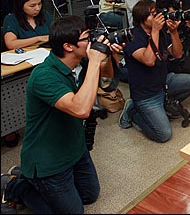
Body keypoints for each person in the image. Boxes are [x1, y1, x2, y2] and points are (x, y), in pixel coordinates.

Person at [0, 15, 123, 214]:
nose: (91, 41)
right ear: (68, 46)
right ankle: (16, 186)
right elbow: (81, 109)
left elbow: (106, 74)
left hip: (73, 146)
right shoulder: (44, 76)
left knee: (90, 195)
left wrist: (105, 56)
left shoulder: (78, 60)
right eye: (86, 38)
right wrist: (94, 62)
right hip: (47, 157)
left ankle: (26, 177)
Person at [119, 0, 190, 142]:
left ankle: (164, 106)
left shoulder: (162, 32)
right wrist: (155, 31)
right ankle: (133, 112)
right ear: (141, 19)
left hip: (163, 83)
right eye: (152, 14)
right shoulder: (131, 37)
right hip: (146, 94)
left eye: (156, 13)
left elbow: (177, 54)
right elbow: (149, 60)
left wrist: (173, 32)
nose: (157, 17)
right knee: (163, 135)